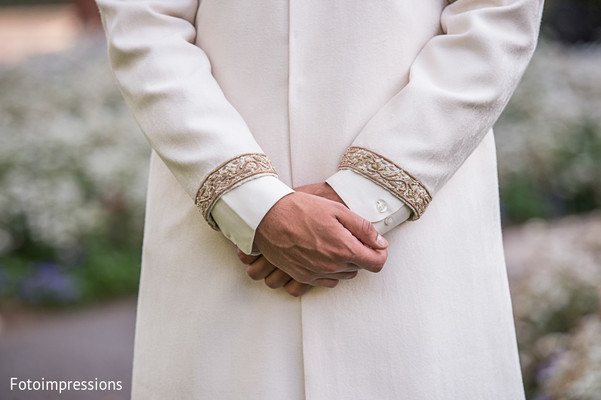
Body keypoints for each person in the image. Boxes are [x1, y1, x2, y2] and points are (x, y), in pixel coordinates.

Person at [96, 0, 544, 398]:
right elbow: (146, 24)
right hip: (218, 241)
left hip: (416, 233)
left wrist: (363, 197)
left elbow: (496, 17)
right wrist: (252, 201)